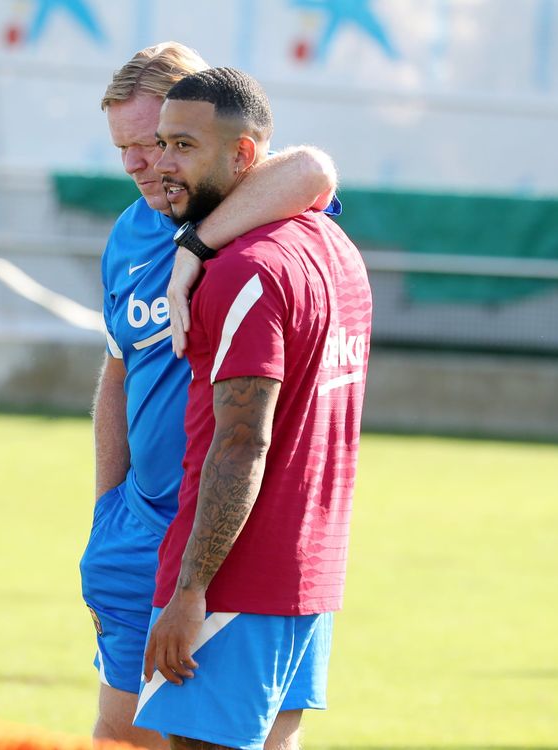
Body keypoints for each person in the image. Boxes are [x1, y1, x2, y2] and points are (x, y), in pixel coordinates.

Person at [79, 42, 339, 748]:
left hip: (227, 535)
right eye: (124, 148)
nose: (139, 164)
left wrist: (196, 246)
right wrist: (108, 510)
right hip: (139, 532)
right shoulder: (128, 233)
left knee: (238, 737)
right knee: (121, 731)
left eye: (155, 142)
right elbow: (118, 369)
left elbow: (314, 168)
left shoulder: (251, 210)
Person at [136, 67, 373, 749]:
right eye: (161, 143)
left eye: (184, 146)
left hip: (233, 583)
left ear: (244, 155)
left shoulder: (245, 270)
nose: (162, 163)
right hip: (306, 573)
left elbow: (243, 444)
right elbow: (310, 171)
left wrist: (190, 591)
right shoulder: (334, 247)